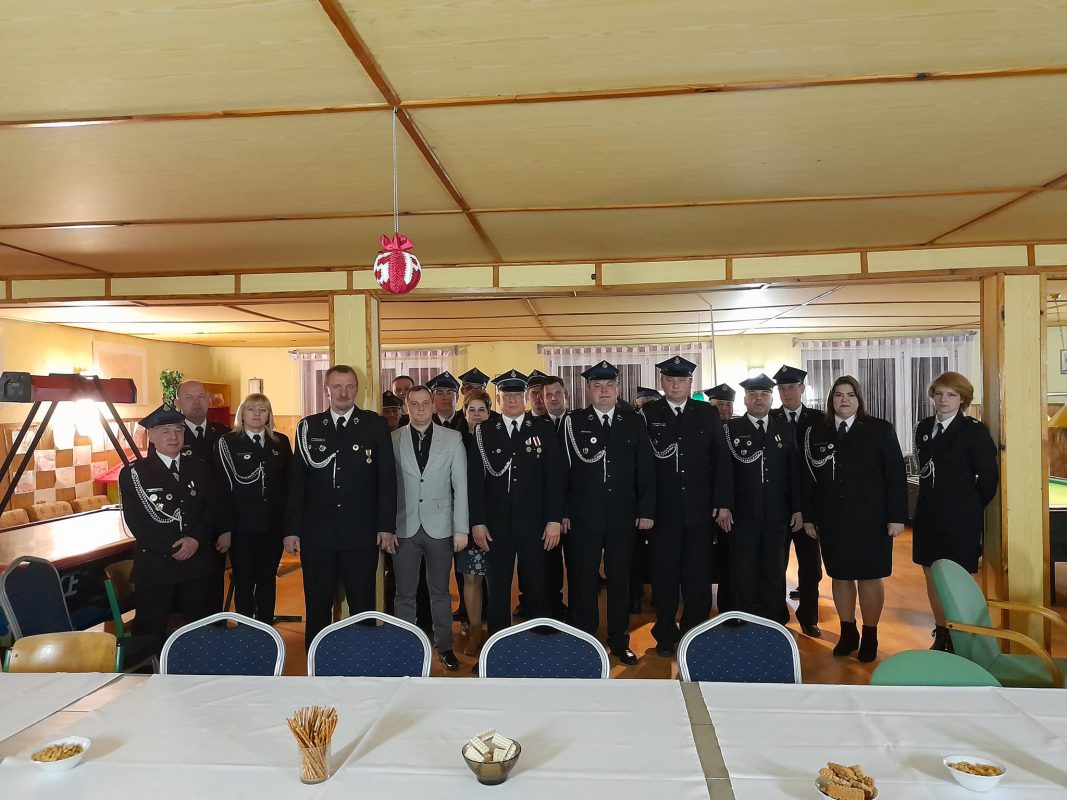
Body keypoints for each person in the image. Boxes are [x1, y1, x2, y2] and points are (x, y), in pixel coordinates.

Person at [286, 365, 397, 650]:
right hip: (317, 534)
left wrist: (386, 526)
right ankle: (316, 661)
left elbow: (387, 479)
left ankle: (363, 661)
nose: (343, 393)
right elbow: (298, 483)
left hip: (361, 532)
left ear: (357, 389)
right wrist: (292, 530)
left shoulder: (374, 424)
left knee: (362, 603)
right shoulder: (308, 427)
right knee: (318, 603)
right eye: (337, 387)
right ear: (327, 390)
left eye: (349, 387)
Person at [802, 375, 908, 663]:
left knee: (870, 577)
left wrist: (896, 517)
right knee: (840, 576)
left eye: (850, 395)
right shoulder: (817, 432)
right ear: (831, 400)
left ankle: (870, 634)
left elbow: (895, 475)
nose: (844, 400)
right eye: (838, 395)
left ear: (859, 400)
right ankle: (848, 631)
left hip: (872, 519)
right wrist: (809, 516)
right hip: (832, 519)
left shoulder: (880, 429)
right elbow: (808, 478)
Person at [560, 361, 655, 664]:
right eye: (597, 386)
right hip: (583, 516)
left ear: (618, 388)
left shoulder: (634, 421)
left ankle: (618, 640)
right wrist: (562, 512)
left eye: (609, 385)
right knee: (582, 579)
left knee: (620, 580)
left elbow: (646, 470)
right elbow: (562, 471)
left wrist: (646, 510)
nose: (603, 391)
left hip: (622, 516)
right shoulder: (573, 422)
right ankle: (585, 639)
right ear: (588, 390)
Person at [640, 356, 733, 657]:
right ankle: (665, 634)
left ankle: (695, 633)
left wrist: (722, 502)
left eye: (681, 380)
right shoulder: (648, 413)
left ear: (690, 383)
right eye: (670, 380)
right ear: (662, 383)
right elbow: (643, 466)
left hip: (699, 510)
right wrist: (645, 509)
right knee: (664, 575)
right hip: (662, 512)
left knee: (698, 576)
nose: (675, 385)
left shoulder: (707, 413)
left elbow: (720, 460)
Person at [467, 369, 564, 636]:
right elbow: (475, 482)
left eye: (517, 395)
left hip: (535, 525)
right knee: (497, 590)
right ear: (498, 399)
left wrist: (554, 520)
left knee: (537, 587)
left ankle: (539, 642)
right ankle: (497, 644)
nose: (512, 400)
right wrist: (477, 522)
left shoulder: (543, 429)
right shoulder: (484, 431)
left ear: (526, 398)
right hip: (496, 526)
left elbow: (554, 479)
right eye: (506, 395)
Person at [119, 405, 217, 655]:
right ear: (151, 435)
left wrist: (195, 540)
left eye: (178, 430)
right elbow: (137, 521)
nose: (173, 437)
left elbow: (212, 509)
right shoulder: (134, 473)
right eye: (165, 431)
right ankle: (149, 677)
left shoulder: (201, 468)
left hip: (196, 564)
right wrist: (172, 549)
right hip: (157, 566)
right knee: (149, 634)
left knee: (202, 631)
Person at [912, 372, 998, 652]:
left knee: (957, 579)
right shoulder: (923, 427)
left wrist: (968, 506)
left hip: (960, 519)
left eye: (951, 394)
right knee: (931, 575)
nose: (943, 399)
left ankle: (962, 636)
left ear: (962, 399)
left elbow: (988, 479)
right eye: (939, 394)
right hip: (928, 516)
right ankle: (942, 633)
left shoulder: (974, 430)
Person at [391, 386, 469, 671]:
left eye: (426, 403)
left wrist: (461, 529)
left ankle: (445, 647)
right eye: (415, 403)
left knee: (440, 592)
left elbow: (461, 486)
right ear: (406, 407)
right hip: (404, 526)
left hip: (441, 526)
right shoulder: (393, 439)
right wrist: (387, 528)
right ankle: (403, 647)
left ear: (433, 405)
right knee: (404, 593)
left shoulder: (452, 438)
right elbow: (387, 487)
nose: (421, 408)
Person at [720, 374, 804, 624]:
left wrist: (798, 508)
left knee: (774, 568)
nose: (759, 399)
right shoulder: (731, 430)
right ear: (745, 399)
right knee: (743, 568)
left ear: (771, 398)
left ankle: (771, 619)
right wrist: (724, 505)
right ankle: (742, 617)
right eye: (753, 395)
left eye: (764, 394)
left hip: (777, 513)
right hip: (742, 513)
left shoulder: (785, 429)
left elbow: (794, 473)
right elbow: (724, 472)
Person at [214, 393, 291, 623]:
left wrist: (290, 528)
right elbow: (222, 490)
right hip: (241, 527)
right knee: (244, 580)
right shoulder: (227, 443)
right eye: (251, 409)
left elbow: (289, 485)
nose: (257, 414)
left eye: (262, 409)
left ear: (269, 415)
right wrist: (225, 529)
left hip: (272, 526)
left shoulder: (280, 442)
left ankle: (266, 629)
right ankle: (245, 631)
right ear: (242, 414)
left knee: (267, 580)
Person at [770, 365, 825, 638]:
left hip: (811, 504)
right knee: (776, 564)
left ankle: (808, 617)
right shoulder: (770, 418)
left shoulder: (820, 420)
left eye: (791, 387)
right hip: (778, 504)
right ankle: (777, 614)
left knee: (810, 566)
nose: (786, 393)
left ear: (802, 388)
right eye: (781, 388)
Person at [174, 379, 230, 612]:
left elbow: (228, 486)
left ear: (208, 400)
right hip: (186, 528)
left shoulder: (223, 433)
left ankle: (216, 630)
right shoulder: (172, 434)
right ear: (178, 403)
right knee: (189, 595)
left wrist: (226, 527)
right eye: (189, 397)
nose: (196, 402)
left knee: (215, 587)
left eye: (201, 396)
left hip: (216, 526)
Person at [457, 389, 493, 656]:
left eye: (482, 410)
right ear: (464, 412)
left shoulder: (498, 438)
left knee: (496, 578)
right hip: (468, 518)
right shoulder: (457, 441)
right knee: (471, 578)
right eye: (472, 410)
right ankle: (475, 631)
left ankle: (496, 631)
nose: (477, 415)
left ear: (490, 413)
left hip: (497, 519)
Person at [703, 382, 737, 613]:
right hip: (706, 504)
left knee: (730, 558)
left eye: (728, 404)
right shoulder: (702, 428)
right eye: (718, 404)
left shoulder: (739, 428)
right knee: (703, 558)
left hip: (733, 507)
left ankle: (729, 606)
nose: (723, 409)